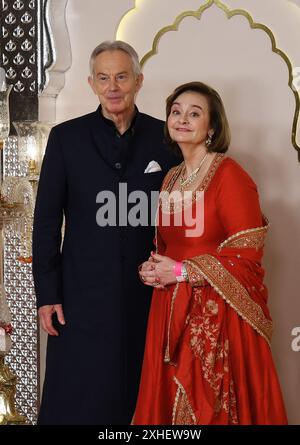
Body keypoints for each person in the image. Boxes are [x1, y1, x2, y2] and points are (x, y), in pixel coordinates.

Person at [32, 41, 179, 425]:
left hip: (147, 296)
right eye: (103, 78)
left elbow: (182, 215)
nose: (112, 87)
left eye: (121, 77)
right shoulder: (65, 138)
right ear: (91, 83)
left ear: (138, 81)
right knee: (79, 398)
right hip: (80, 297)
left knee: (140, 396)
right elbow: (46, 221)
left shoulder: (166, 138)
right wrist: (47, 295)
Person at [134, 81, 288, 425]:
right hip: (169, 305)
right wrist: (153, 267)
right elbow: (168, 245)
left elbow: (248, 253)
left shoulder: (230, 175)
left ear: (212, 126)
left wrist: (183, 271)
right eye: (176, 112)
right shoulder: (171, 178)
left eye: (194, 113)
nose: (182, 119)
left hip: (215, 314)